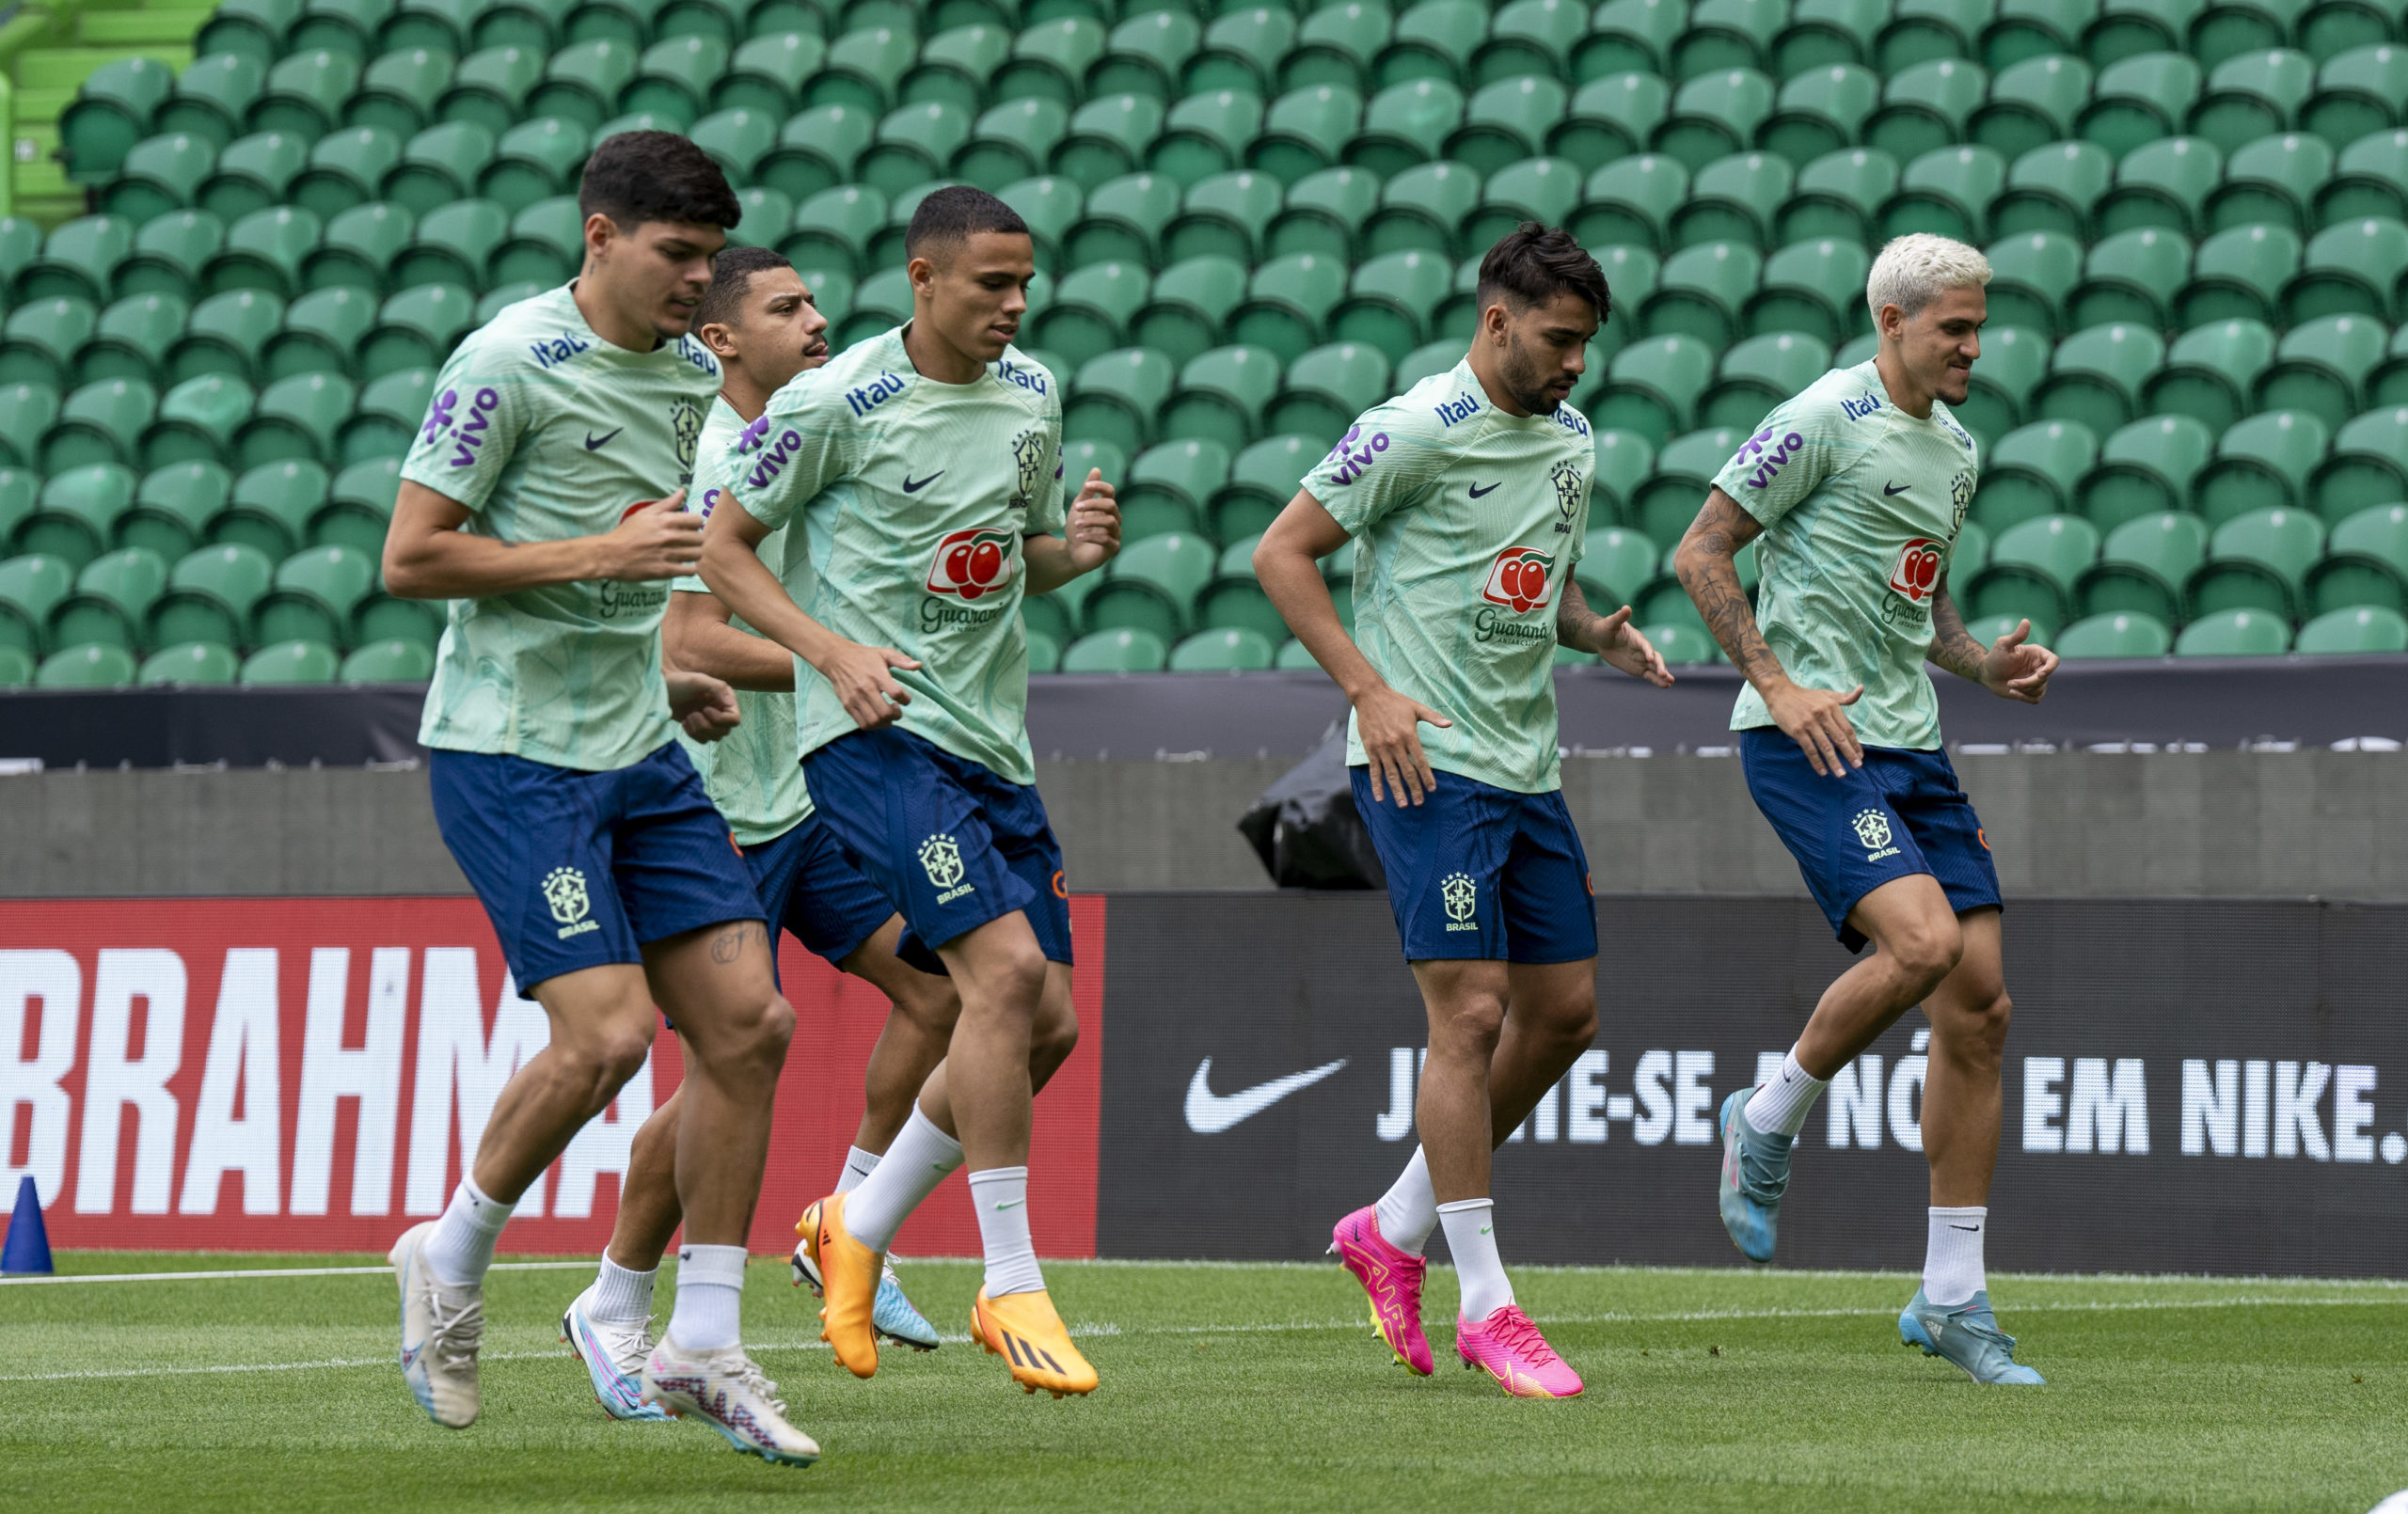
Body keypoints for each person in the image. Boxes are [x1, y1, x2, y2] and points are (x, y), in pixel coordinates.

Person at [555, 244, 1069, 1416]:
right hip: (723, 806)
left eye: (817, 301)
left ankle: (845, 1219)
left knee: (961, 994)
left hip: (812, 794)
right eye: (786, 308)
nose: (818, 320)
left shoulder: (843, 426)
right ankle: (617, 1295)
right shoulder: (719, 456)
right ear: (724, 338)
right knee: (727, 1063)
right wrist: (837, 661)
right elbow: (687, 642)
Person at [378, 131, 817, 1464]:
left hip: (637, 742)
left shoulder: (696, 376)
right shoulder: (506, 361)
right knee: (611, 1036)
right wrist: (602, 554)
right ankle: (449, 1258)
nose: (699, 283)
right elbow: (411, 558)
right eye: (677, 255)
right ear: (601, 238)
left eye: (706, 258)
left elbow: (666, 562)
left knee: (752, 1025)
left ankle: (704, 1336)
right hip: (510, 751)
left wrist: (667, 659)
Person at [697, 185, 1121, 1398]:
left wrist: (1074, 552)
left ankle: (853, 1219)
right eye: (991, 282)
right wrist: (829, 652)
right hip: (872, 737)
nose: (1015, 303)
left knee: (1046, 1023)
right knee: (992, 978)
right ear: (923, 278)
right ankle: (1009, 1276)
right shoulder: (835, 402)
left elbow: (1013, 554)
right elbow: (724, 551)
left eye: (1026, 282)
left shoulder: (1033, 394)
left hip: (996, 746)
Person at [1254, 224, 1671, 1400]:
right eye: (1558, 340)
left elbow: (1541, 565)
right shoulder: (1411, 429)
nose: (1576, 364)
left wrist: (1589, 628)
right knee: (1474, 1009)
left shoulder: (1571, 438)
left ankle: (1388, 1227)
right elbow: (1281, 554)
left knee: (1565, 1015)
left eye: (1587, 344)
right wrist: (1368, 691)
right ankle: (1488, 1301)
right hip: (1424, 766)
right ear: (1496, 321)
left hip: (1527, 764)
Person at [1671, 232, 2058, 1386]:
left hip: (1911, 745)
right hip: (1811, 735)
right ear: (1890, 319)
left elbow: (1921, 617)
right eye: (1953, 326)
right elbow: (1700, 553)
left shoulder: (1955, 451)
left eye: (1978, 326)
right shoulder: (1821, 417)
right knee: (1925, 944)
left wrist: (1982, 666)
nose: (1972, 346)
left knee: (1980, 1007)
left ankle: (1949, 1297)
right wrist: (1776, 685)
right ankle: (1769, 1112)